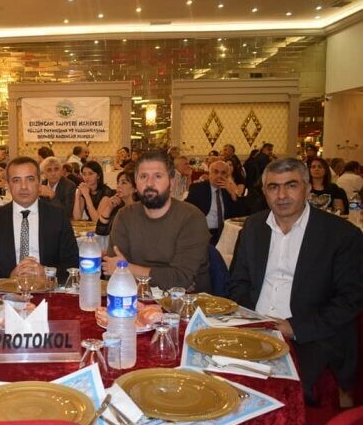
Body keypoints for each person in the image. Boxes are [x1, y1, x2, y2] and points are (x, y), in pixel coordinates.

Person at [227, 158, 363, 405]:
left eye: (291, 185)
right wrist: (251, 319)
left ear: (307, 188)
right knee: (220, 381)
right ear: (264, 191)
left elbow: (350, 299)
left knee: (283, 394)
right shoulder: (254, 227)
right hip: (254, 326)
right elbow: (238, 281)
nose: (281, 195)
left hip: (311, 333)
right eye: (273, 187)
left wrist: (296, 328)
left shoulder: (341, 235)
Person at [102, 151, 210, 292]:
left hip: (184, 302)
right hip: (134, 298)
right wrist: (166, 278)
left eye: (158, 176)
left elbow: (181, 280)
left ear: (171, 182)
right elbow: (113, 272)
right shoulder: (124, 216)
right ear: (136, 183)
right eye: (143, 177)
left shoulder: (192, 218)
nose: (149, 183)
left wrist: (128, 268)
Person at [0, 156, 79, 282]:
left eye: (30, 179)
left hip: (47, 288)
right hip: (7, 289)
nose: (23, 186)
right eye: (16, 180)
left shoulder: (58, 216)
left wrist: (46, 272)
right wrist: (9, 274)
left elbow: (73, 262)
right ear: (8, 184)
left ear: (39, 182)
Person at [185, 160, 245, 244]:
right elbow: (186, 210)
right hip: (203, 233)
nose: (219, 176)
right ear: (210, 173)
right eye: (216, 172)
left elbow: (239, 215)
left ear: (227, 176)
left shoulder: (227, 190)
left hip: (224, 234)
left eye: (223, 173)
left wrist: (233, 194)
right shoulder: (198, 188)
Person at [95, 169, 137, 236]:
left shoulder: (140, 209)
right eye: (118, 183)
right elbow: (100, 231)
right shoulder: (117, 207)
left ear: (136, 188)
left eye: (123, 183)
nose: (118, 186)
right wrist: (109, 208)